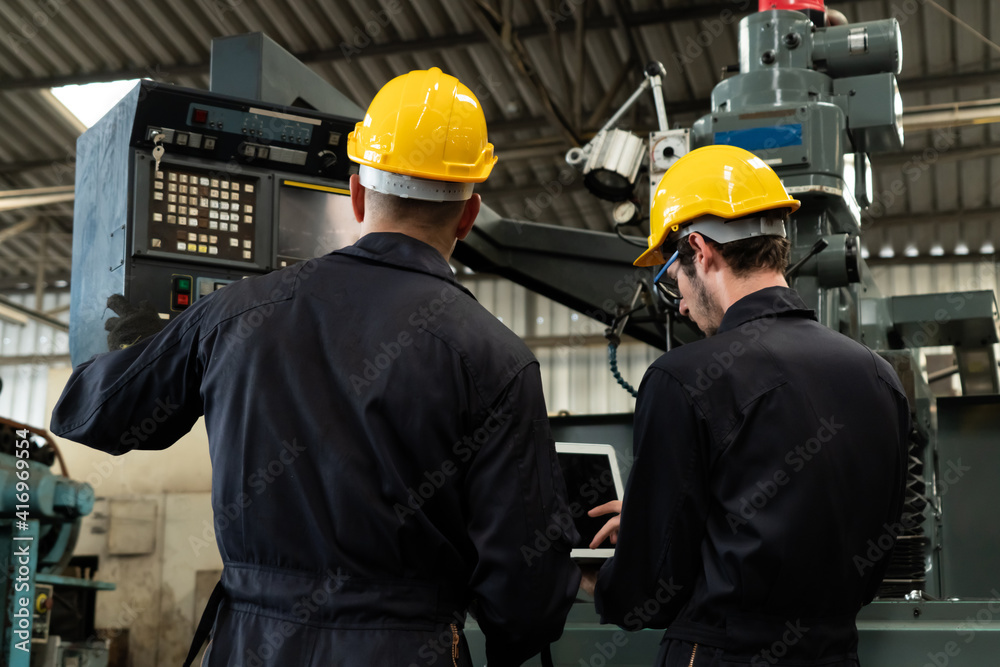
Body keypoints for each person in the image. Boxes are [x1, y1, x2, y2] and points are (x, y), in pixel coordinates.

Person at [51, 67, 580, 667]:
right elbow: (527, 603)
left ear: (356, 194)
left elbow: (89, 415)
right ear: (468, 213)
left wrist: (140, 345)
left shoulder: (232, 316)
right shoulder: (498, 360)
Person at [584, 145, 909, 666]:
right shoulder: (879, 379)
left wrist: (599, 577)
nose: (683, 305)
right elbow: (864, 567)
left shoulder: (683, 377)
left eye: (674, 280)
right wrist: (658, 516)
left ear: (700, 249)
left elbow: (649, 595)